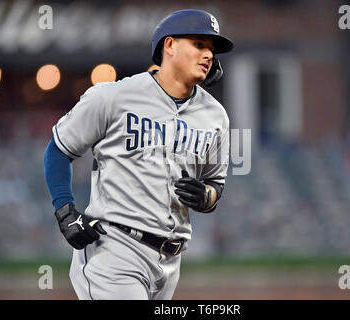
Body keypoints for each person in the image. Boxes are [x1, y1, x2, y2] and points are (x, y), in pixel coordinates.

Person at [43, 9, 233, 300]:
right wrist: (65, 211)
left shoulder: (215, 116)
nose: (209, 55)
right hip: (115, 250)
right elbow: (58, 150)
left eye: (212, 49)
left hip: (171, 260)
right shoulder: (114, 96)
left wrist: (206, 197)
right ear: (169, 46)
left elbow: (215, 185)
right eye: (199, 44)